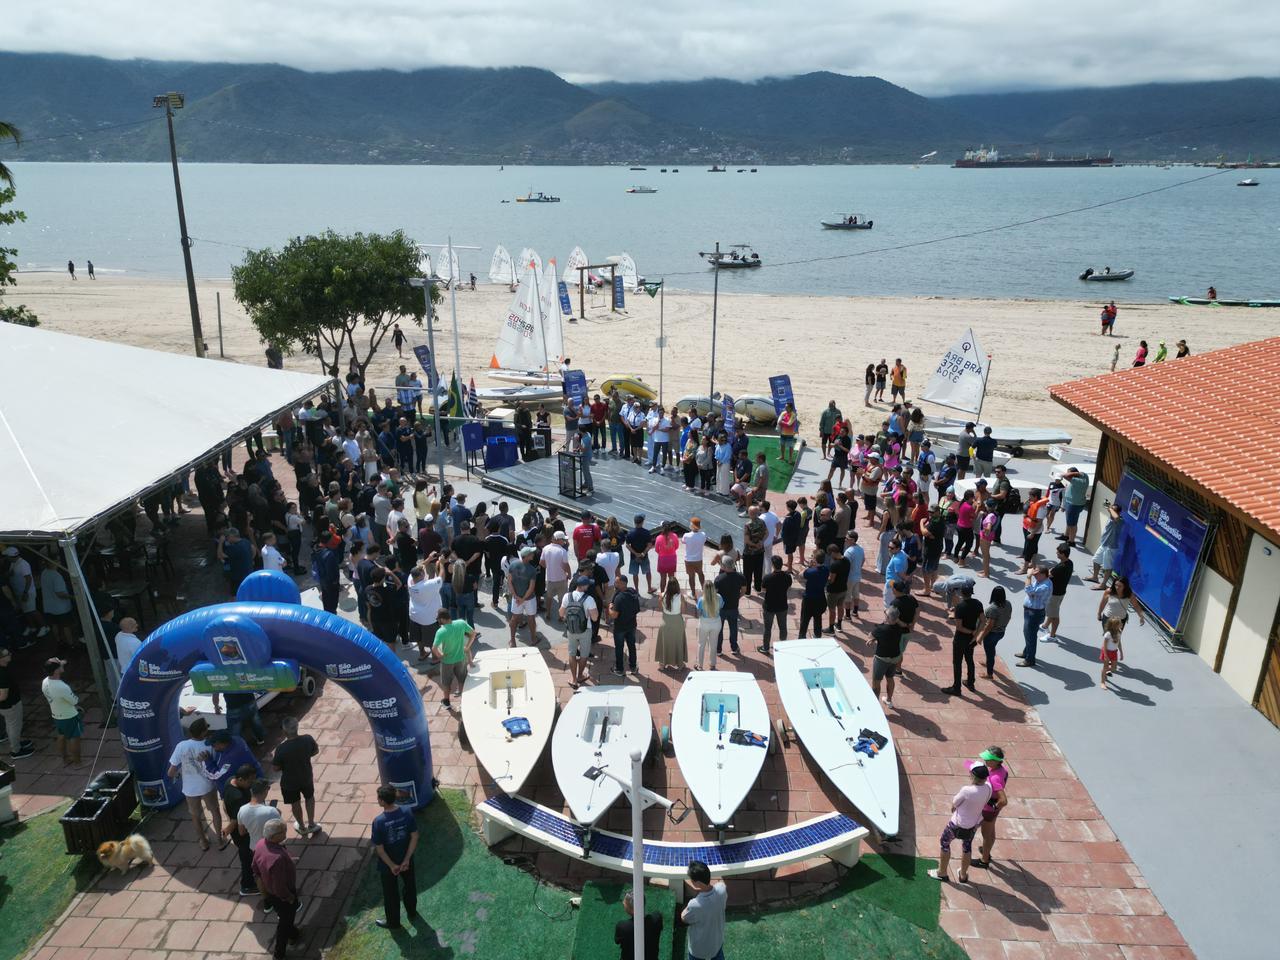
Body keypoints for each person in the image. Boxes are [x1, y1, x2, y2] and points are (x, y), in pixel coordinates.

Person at [928, 764, 991, 884]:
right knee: (967, 848)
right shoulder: (988, 788)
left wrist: (953, 807)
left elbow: (955, 802)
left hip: (956, 825)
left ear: (972, 776)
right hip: (973, 825)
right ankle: (963, 875)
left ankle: (942, 873)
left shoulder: (967, 790)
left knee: (944, 843)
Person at [168, 717, 225, 850]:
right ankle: (220, 840)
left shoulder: (181, 746)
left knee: (195, 815)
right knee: (215, 811)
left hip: (190, 788)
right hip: (208, 786)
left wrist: (180, 775)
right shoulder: (209, 745)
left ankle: (203, 842)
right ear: (203, 732)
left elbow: (171, 772)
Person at [371, 784, 419, 929]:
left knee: (390, 894)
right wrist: (406, 860)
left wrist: (392, 866)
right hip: (406, 860)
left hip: (388, 866)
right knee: (410, 886)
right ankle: (412, 912)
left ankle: (393, 922)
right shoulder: (407, 812)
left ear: (383, 802)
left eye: (379, 797)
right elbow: (415, 836)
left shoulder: (378, 822)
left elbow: (380, 849)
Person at [252, 819, 302, 959]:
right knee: (284, 923)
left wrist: (289, 860)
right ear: (274, 836)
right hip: (283, 895)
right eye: (284, 831)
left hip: (270, 892)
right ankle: (279, 954)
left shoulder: (261, 844)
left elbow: (255, 867)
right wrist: (290, 897)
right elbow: (280, 887)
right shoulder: (277, 859)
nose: (286, 833)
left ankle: (294, 934)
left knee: (286, 918)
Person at [272, 716, 320, 836]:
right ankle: (312, 823)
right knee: (309, 798)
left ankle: (302, 827)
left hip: (290, 782)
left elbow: (276, 768)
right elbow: (315, 751)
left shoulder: (281, 749)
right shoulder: (307, 739)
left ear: (284, 731)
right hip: (306, 777)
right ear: (297, 728)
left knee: (295, 803)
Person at [222, 764, 263, 896]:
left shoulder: (230, 780)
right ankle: (247, 886)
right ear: (240, 779)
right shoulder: (237, 797)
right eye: (250, 781)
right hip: (243, 833)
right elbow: (236, 820)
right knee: (246, 859)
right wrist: (228, 829)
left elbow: (224, 804)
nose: (252, 784)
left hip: (241, 828)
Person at [941, 582, 982, 696]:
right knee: (969, 660)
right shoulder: (978, 604)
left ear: (962, 593)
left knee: (957, 663)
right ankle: (970, 682)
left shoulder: (960, 607)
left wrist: (971, 632)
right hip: (971, 639)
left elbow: (959, 627)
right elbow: (983, 620)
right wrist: (976, 633)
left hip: (960, 639)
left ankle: (956, 687)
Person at [680, 860, 727, 960]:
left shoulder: (694, 904)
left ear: (697, 883)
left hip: (698, 949)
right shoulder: (722, 889)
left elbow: (684, 918)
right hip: (716, 943)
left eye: (691, 879)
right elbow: (719, 885)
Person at [431, 608, 476, 708]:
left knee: (446, 683)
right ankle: (463, 702)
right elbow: (473, 633)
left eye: (439, 620)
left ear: (442, 619)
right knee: (462, 680)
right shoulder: (461, 623)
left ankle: (446, 702)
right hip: (461, 659)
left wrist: (440, 656)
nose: (439, 622)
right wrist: (467, 647)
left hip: (447, 662)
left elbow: (434, 648)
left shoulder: (441, 631)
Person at [975, 747, 1010, 868]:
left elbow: (1004, 800)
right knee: (991, 831)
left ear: (996, 761)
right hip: (994, 810)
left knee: (986, 835)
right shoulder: (1003, 769)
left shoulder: (995, 778)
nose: (985, 760)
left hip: (989, 810)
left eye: (988, 759)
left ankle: (984, 860)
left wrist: (993, 806)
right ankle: (987, 850)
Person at [561, 576, 598, 688]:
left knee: (572, 654)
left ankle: (573, 679)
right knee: (584, 654)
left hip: (571, 630)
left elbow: (561, 613)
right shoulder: (589, 599)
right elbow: (595, 618)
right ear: (584, 586)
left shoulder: (567, 596)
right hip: (585, 630)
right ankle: (580, 676)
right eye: (588, 584)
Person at [1017, 565, 1053, 668]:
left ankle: (1029, 660)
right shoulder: (1041, 581)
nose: (1034, 576)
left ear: (1043, 574)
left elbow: (1029, 591)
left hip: (1034, 613)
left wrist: (1028, 577)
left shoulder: (1045, 586)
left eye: (1036, 574)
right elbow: (1031, 592)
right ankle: (1026, 652)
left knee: (1030, 636)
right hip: (1031, 612)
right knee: (1028, 634)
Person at [505, 545, 539, 648]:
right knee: (531, 619)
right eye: (531, 553)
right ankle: (533, 639)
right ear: (527, 556)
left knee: (514, 619)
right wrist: (523, 599)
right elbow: (531, 588)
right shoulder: (532, 569)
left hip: (516, 598)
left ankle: (512, 641)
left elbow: (509, 582)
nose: (533, 554)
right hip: (529, 599)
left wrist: (516, 596)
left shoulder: (513, 565)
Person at [975, 586, 1012, 679]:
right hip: (1001, 632)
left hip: (992, 634)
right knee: (992, 649)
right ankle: (988, 663)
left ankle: (989, 674)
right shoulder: (1008, 604)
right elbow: (1009, 617)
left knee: (990, 652)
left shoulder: (993, 608)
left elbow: (989, 625)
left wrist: (981, 637)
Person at [871, 608, 905, 708]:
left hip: (882, 659)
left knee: (876, 681)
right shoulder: (899, 628)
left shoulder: (881, 629)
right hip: (894, 658)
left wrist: (873, 639)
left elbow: (871, 635)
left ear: (888, 617)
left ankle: (875, 705)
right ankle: (889, 700)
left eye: (885, 614)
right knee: (890, 678)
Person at [615, 888, 662, 960]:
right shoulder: (657, 918)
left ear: (633, 909)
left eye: (625, 903)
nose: (623, 903)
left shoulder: (622, 927)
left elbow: (617, 941)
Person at [610, 573, 642, 677]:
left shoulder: (619, 598)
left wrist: (609, 608)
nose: (615, 583)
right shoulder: (633, 593)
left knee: (619, 647)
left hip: (620, 627)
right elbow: (637, 609)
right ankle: (633, 667)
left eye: (617, 582)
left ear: (623, 584)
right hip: (632, 625)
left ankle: (619, 669)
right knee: (631, 646)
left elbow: (614, 615)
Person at [758, 556, 792, 655]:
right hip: (782, 605)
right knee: (783, 627)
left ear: (773, 565)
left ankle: (765, 648)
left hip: (769, 606)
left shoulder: (767, 577)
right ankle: (783, 646)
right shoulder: (787, 576)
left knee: (767, 628)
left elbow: (763, 589)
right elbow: (789, 586)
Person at [1041, 543, 1074, 642]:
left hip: (1055, 594)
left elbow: (1048, 575)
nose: (1056, 553)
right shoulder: (1069, 563)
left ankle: (1052, 635)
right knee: (1052, 611)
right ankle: (1045, 625)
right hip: (1061, 592)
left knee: (1054, 615)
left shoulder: (1061, 567)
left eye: (1058, 552)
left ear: (1063, 554)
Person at [1086, 502, 1123, 587]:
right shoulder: (1111, 518)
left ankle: (1103, 584)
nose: (1110, 511)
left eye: (1113, 510)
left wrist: (1110, 508)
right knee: (1096, 560)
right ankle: (1095, 577)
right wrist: (1110, 509)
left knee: (1108, 567)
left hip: (1111, 548)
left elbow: (1116, 517)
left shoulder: (1119, 521)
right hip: (1104, 545)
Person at [713, 561, 746, 656]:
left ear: (724, 566)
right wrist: (737, 597)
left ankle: (718, 649)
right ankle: (734, 648)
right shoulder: (741, 577)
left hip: (721, 608)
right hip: (733, 607)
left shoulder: (719, 579)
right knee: (733, 628)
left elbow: (714, 594)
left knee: (719, 629)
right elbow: (743, 590)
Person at [654, 577, 687, 670]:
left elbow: (660, 609)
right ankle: (679, 664)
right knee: (678, 643)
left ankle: (662, 664)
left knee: (665, 643)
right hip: (677, 621)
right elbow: (683, 611)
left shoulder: (662, 595)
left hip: (666, 622)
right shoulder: (680, 597)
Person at [541, 530, 572, 623]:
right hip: (561, 579)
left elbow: (541, 562)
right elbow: (566, 565)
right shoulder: (562, 551)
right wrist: (569, 574)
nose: (565, 542)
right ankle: (560, 616)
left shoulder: (545, 548)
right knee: (562, 599)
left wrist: (550, 567)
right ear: (558, 540)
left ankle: (548, 613)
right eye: (563, 540)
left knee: (549, 597)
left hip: (550, 579)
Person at [798, 552, 829, 639]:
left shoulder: (811, 571)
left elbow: (800, 575)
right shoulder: (826, 569)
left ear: (815, 560)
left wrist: (809, 566)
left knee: (804, 620)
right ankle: (817, 636)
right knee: (818, 618)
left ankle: (802, 637)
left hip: (809, 600)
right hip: (820, 598)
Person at [1060, 467, 1089, 547]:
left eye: (1068, 473)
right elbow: (1081, 473)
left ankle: (1071, 541)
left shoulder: (1077, 481)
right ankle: (1066, 536)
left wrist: (1064, 474)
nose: (1067, 474)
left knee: (1072, 524)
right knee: (1070, 521)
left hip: (1073, 505)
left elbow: (1065, 476)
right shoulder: (1085, 477)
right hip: (1073, 503)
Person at [694, 582, 720, 671]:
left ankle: (700, 665)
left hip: (704, 623)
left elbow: (699, 614)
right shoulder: (719, 597)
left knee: (701, 644)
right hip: (716, 622)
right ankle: (712, 665)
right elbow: (721, 607)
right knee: (713, 644)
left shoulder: (701, 600)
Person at [1099, 616, 1126, 689]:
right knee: (1105, 666)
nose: (1121, 624)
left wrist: (1121, 652)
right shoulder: (1108, 634)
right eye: (1120, 623)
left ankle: (1103, 671)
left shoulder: (1119, 631)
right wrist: (1106, 655)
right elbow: (1104, 645)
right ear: (1115, 626)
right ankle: (1102, 682)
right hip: (1107, 652)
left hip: (1114, 652)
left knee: (1114, 668)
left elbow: (1119, 643)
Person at [682, 517, 707, 591]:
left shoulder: (686, 535)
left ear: (692, 525)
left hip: (688, 560)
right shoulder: (703, 534)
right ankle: (704, 590)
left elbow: (683, 541)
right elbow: (704, 541)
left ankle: (693, 593)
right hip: (698, 559)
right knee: (700, 573)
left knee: (691, 576)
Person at [654, 522, 680, 594]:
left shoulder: (658, 537)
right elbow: (677, 546)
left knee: (663, 578)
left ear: (662, 528)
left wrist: (662, 553)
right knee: (671, 578)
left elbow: (656, 549)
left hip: (662, 560)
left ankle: (662, 594)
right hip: (672, 559)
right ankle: (672, 593)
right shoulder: (674, 536)